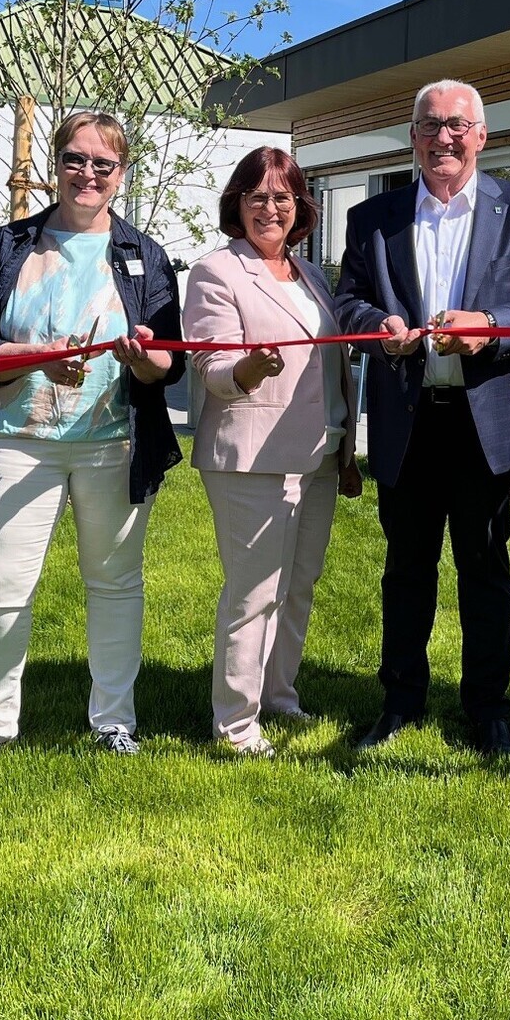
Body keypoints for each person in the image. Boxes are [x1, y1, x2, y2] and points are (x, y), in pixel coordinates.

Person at [334, 78, 510, 756]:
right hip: (409, 415)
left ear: (482, 136)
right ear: (412, 137)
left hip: (485, 420)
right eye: (431, 125)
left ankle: (488, 709)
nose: (444, 138)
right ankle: (401, 704)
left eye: (458, 125)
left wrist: (493, 325)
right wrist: (375, 324)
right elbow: (345, 303)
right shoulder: (372, 219)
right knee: (406, 569)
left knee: (485, 567)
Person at [0, 111, 184, 769]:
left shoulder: (144, 255)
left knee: (114, 585)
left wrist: (141, 360)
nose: (88, 174)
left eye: (103, 164)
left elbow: (171, 362)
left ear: (121, 174)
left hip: (112, 442)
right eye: (76, 160)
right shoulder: (10, 246)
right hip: (18, 438)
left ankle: (113, 721)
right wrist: (34, 357)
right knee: (0, 590)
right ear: (56, 164)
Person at [185, 146, 363, 758]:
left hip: (319, 450)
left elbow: (333, 363)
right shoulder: (218, 271)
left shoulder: (313, 275)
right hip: (251, 453)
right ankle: (235, 724)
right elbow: (209, 361)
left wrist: (346, 452)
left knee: (300, 584)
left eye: (282, 197)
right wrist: (248, 368)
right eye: (256, 196)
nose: (270, 208)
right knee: (255, 589)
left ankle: (279, 695)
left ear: (300, 207)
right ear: (237, 203)